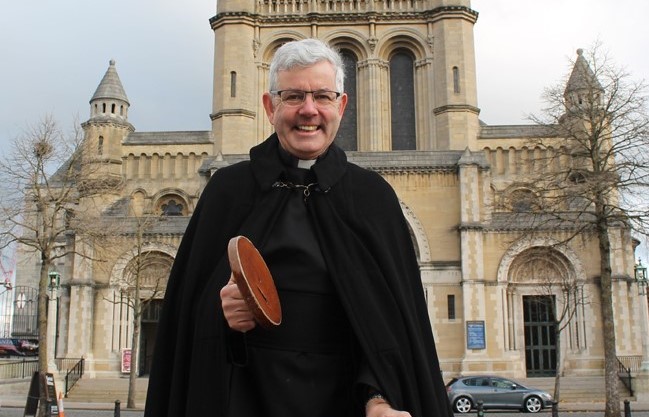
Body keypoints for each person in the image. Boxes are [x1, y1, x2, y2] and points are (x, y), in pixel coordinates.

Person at [144, 38, 453, 417]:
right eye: (293, 96)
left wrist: (378, 399)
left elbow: (389, 329)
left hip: (344, 402)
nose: (309, 110)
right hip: (246, 398)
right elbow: (186, 319)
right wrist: (220, 311)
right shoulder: (228, 192)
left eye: (322, 96)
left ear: (341, 106)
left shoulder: (373, 199)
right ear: (270, 106)